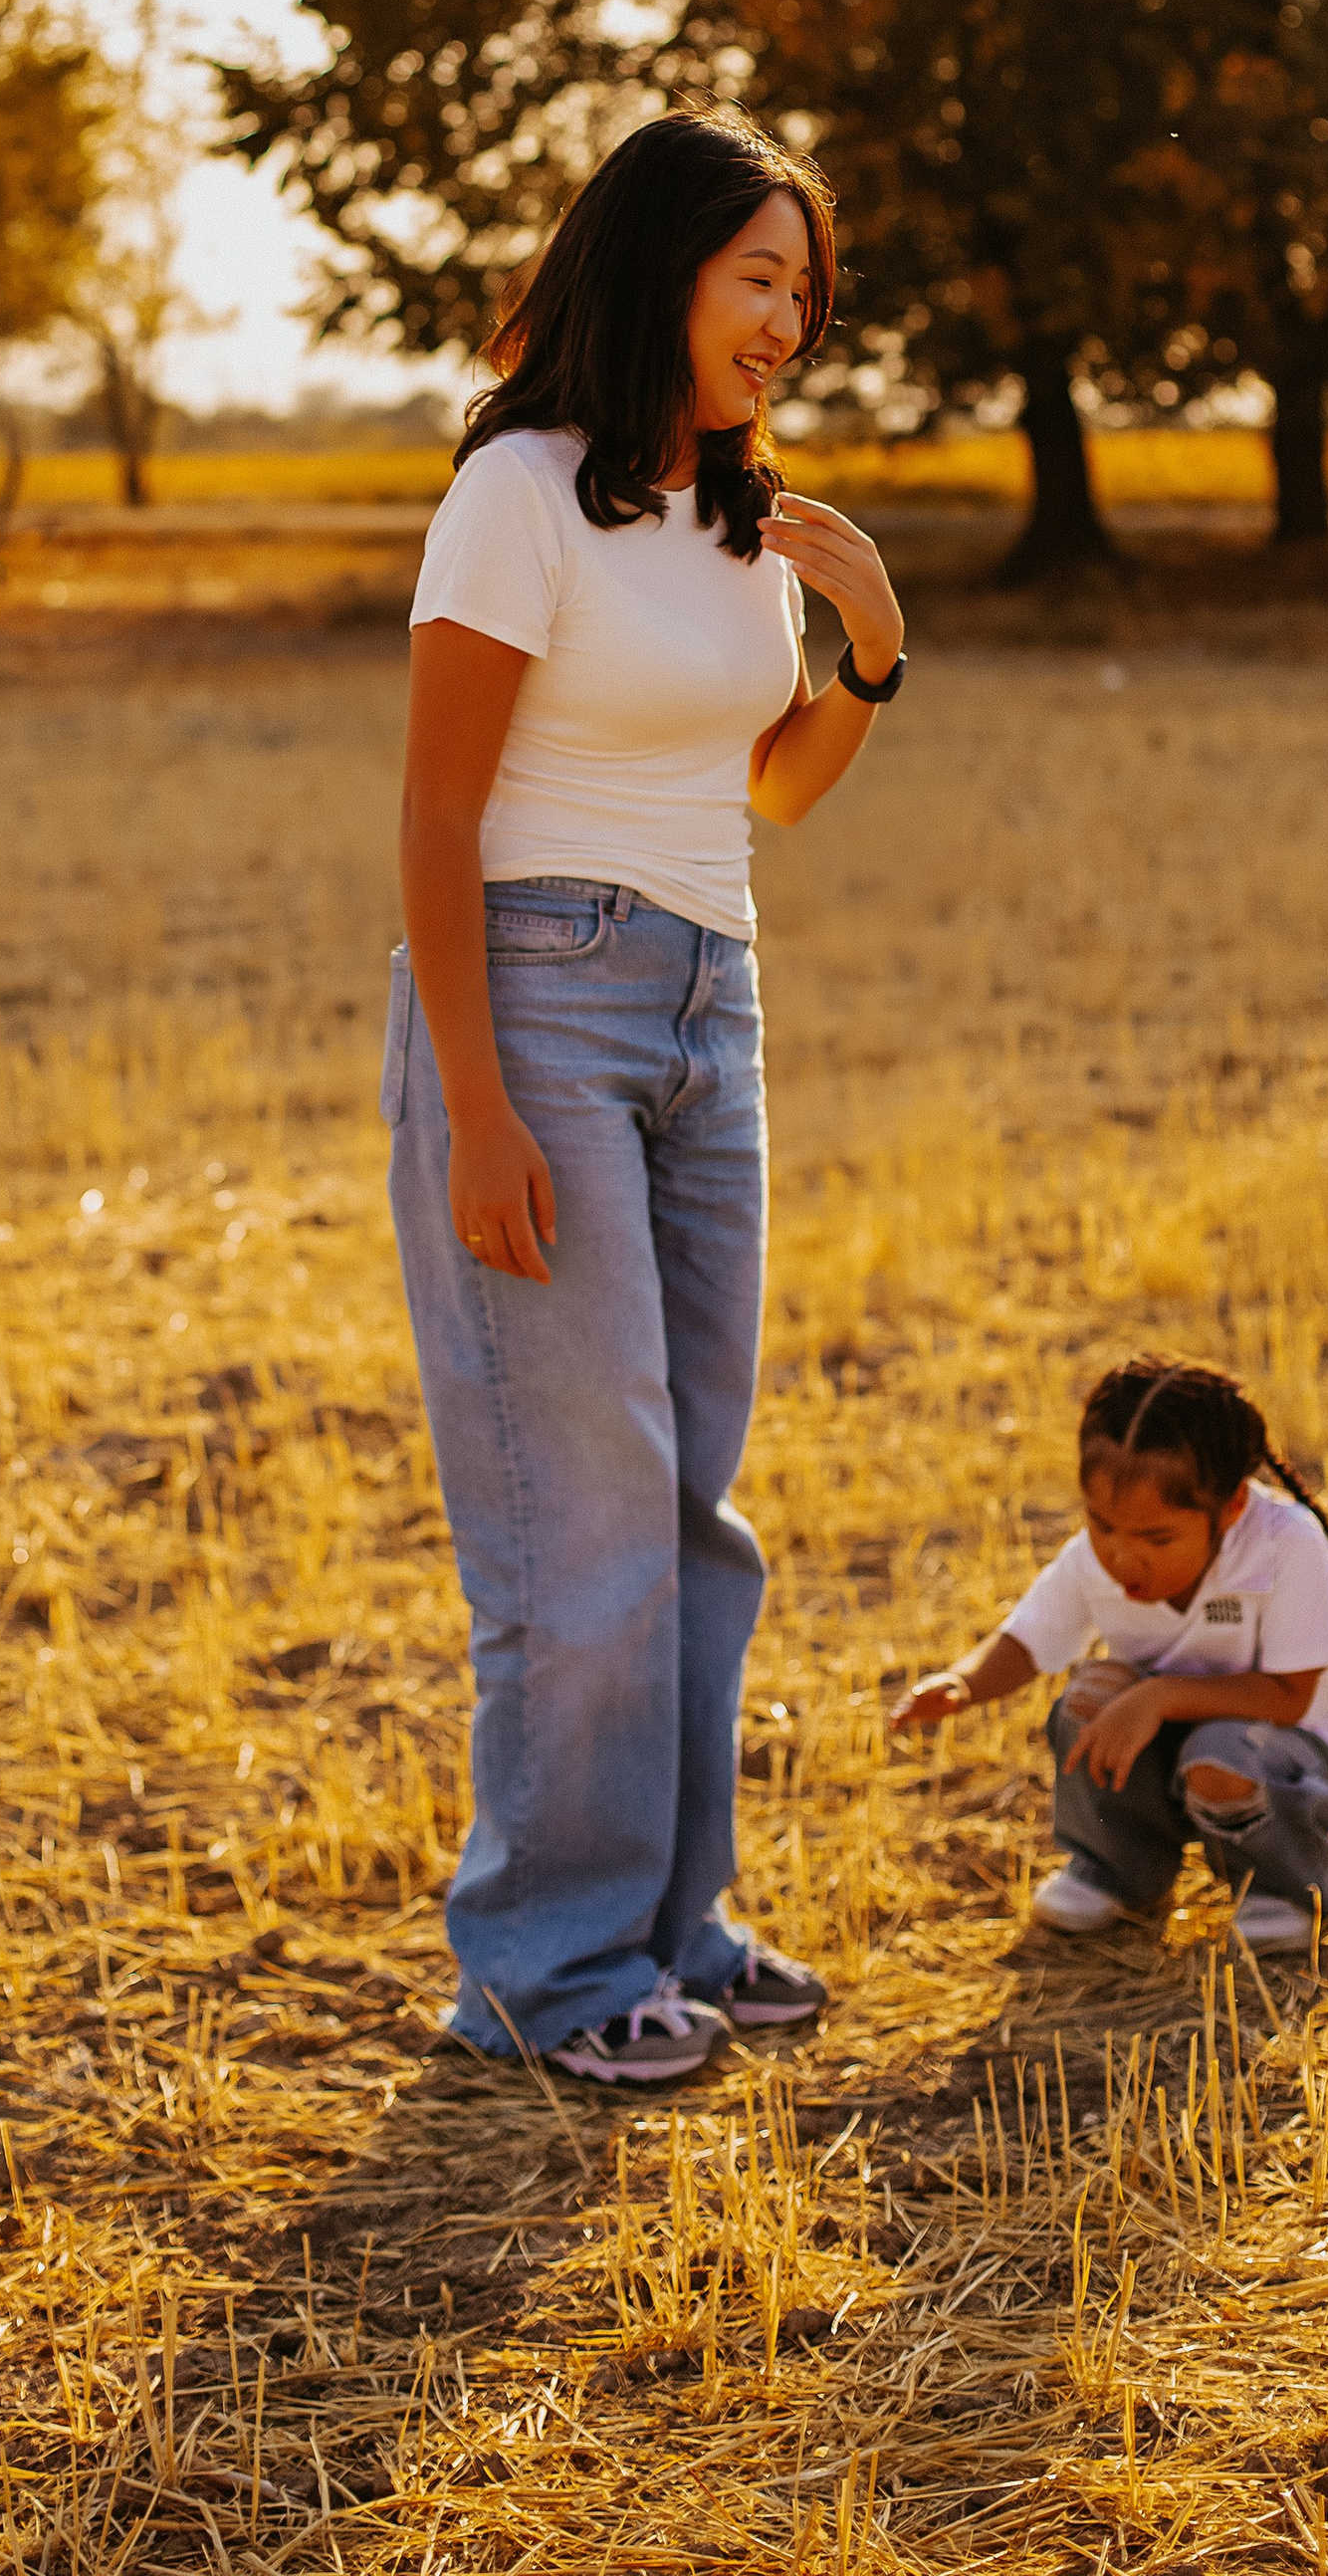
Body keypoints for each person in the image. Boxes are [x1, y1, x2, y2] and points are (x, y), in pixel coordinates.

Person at [386, 109, 907, 2088]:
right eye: (756, 279)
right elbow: (437, 812)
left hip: (711, 998)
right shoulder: (515, 493)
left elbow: (762, 789)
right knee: (576, 1517)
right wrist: (477, 1104)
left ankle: (667, 1922)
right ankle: (546, 1969)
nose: (787, 321)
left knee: (687, 1509)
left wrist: (862, 650)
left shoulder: (738, 526)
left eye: (806, 292)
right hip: (536, 995)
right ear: (657, 271)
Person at [891, 1353, 1328, 1953]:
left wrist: (1159, 1696)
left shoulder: (1288, 1544)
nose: (1120, 1556)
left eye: (1156, 1538)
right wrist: (964, 1683)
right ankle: (1119, 1871)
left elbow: (1290, 1695)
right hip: (1168, 1738)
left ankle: (1286, 1888)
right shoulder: (1095, 1558)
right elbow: (1028, 1636)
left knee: (1218, 1754)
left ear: (1230, 1510)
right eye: (1101, 1525)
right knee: (1087, 1699)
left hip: (1288, 1745)